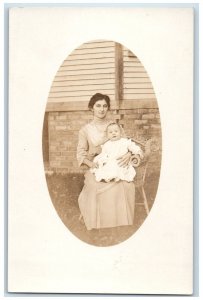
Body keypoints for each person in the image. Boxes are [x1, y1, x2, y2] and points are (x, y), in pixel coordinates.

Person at [77, 93, 137, 231]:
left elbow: (127, 143)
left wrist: (128, 154)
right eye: (98, 106)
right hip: (97, 166)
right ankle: (100, 223)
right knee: (96, 186)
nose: (102, 109)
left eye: (105, 106)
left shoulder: (115, 126)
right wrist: (93, 165)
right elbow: (80, 155)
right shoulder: (85, 130)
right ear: (91, 108)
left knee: (124, 184)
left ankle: (121, 222)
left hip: (117, 165)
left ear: (108, 108)